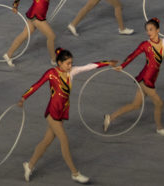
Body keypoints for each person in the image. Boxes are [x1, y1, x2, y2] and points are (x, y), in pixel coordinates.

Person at [19, 48, 115, 184]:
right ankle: (75, 173)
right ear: (59, 63)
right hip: (52, 112)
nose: (70, 66)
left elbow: (89, 66)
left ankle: (29, 165)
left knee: (46, 142)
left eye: (71, 63)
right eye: (67, 63)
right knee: (64, 141)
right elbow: (37, 85)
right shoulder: (51, 73)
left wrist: (107, 62)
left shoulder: (72, 72)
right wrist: (24, 97)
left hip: (61, 112)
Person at [105, 18, 164, 135]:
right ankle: (159, 127)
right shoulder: (145, 45)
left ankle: (110, 117)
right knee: (159, 103)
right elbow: (133, 55)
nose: (148, 32)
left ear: (158, 30)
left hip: (151, 77)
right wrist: (122, 66)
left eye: (151, 29)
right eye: (147, 30)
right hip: (146, 78)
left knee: (136, 105)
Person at [4, 0, 82, 66]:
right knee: (51, 36)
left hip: (37, 14)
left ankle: (8, 54)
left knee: (24, 35)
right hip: (36, 15)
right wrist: (15, 5)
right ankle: (54, 59)